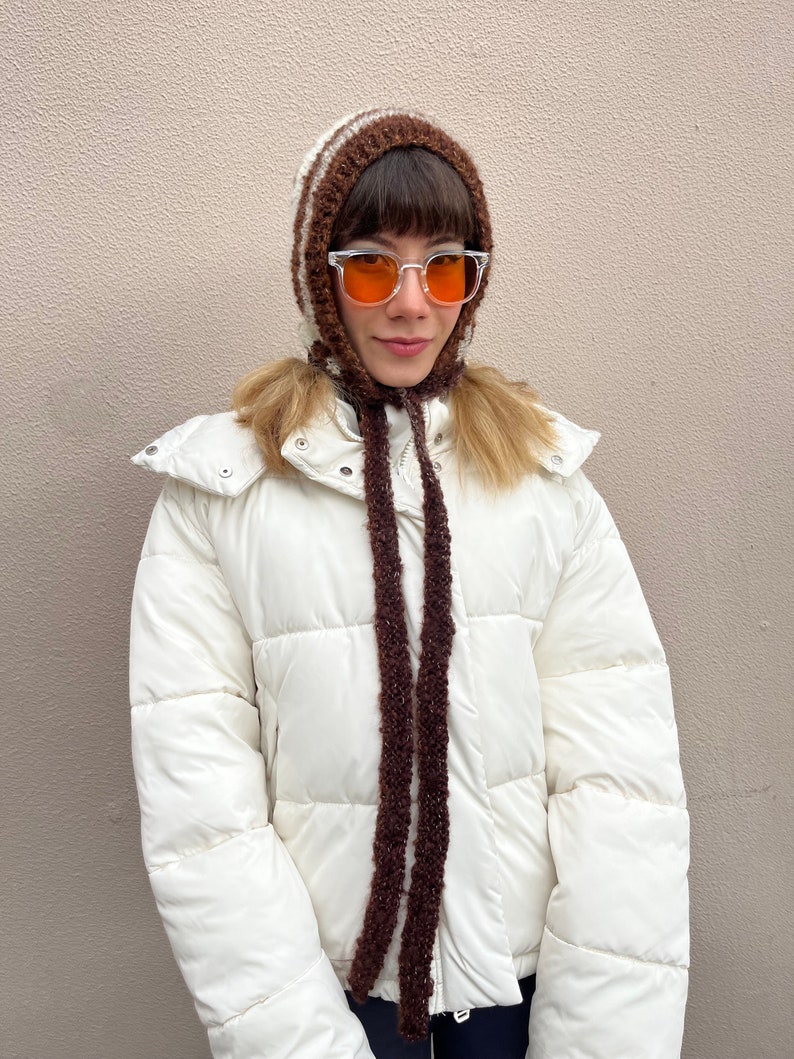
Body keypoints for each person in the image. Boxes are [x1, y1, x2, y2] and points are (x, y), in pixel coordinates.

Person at [129, 109, 689, 1059]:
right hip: (328, 994)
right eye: (374, 264)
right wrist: (304, 1040)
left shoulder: (546, 481)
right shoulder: (220, 490)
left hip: (519, 991)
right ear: (323, 276)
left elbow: (620, 788)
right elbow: (203, 818)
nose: (411, 303)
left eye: (445, 264)